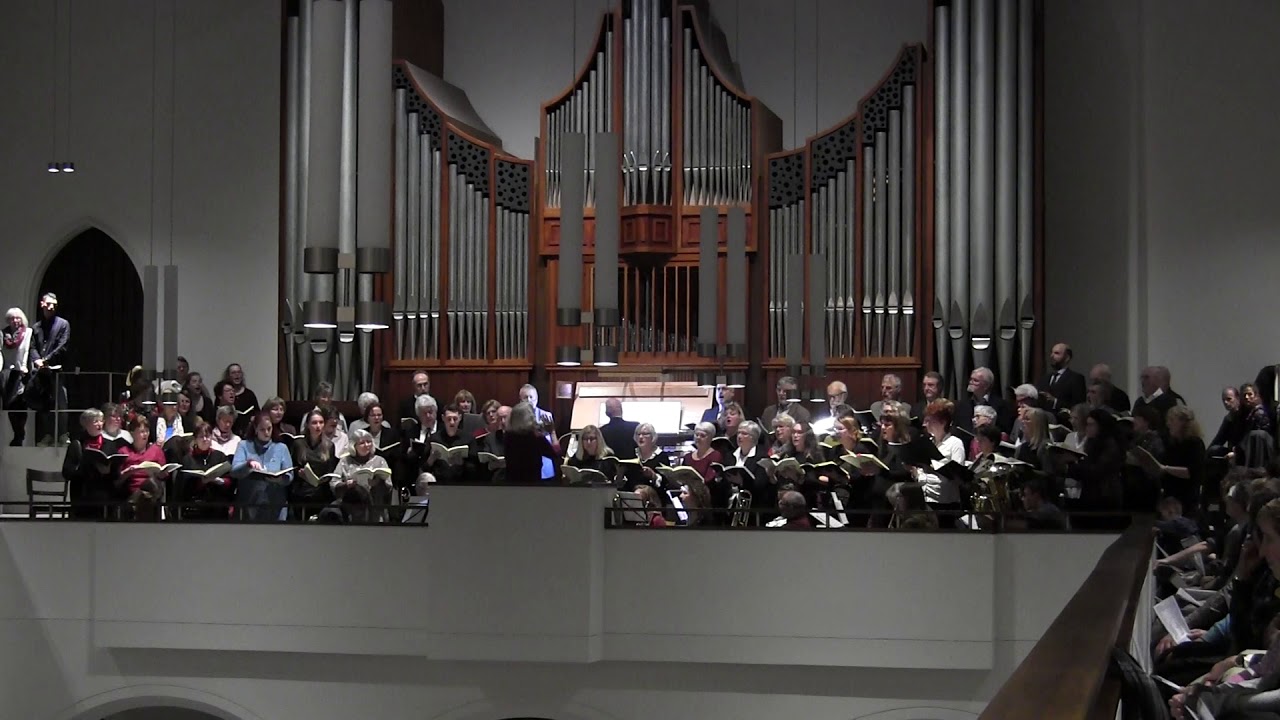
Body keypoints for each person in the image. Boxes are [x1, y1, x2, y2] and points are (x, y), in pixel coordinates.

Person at [62, 408, 123, 519]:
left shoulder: (109, 444)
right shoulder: (77, 445)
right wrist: (85, 469)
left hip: (105, 493)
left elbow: (117, 474)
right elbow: (67, 472)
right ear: (85, 424)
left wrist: (108, 471)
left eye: (101, 421)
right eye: (95, 421)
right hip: (83, 493)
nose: (99, 424)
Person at [231, 413, 293, 522]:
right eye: (262, 429)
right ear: (255, 429)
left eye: (269, 429)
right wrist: (248, 464)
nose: (266, 433)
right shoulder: (244, 445)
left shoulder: (281, 448)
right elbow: (234, 471)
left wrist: (280, 479)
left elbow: (290, 475)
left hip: (275, 503)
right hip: (249, 503)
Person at [913, 399, 968, 515]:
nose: (924, 424)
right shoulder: (929, 442)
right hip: (926, 502)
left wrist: (922, 476)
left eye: (929, 421)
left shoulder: (955, 443)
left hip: (946, 506)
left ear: (942, 422)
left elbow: (955, 479)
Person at [28, 293, 70, 445]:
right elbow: (32, 347)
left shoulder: (63, 324)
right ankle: (48, 435)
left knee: (61, 402)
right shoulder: (36, 327)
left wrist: (45, 360)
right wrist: (37, 360)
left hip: (56, 370)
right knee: (44, 405)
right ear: (42, 304)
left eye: (54, 304)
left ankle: (63, 434)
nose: (51, 307)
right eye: (48, 304)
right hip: (41, 372)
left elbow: (62, 346)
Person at [333, 428, 394, 522]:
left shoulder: (380, 461)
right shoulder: (345, 461)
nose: (366, 445)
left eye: (369, 442)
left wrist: (378, 482)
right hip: (351, 508)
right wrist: (346, 485)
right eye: (362, 443)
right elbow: (334, 482)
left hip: (375, 509)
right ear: (354, 446)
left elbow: (389, 486)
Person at [177, 420, 233, 520]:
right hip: (195, 505)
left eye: (207, 436)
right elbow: (182, 487)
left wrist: (220, 481)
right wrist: (200, 483)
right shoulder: (188, 459)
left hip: (217, 505)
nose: (205, 439)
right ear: (195, 439)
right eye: (201, 436)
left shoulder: (219, 456)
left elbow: (230, 482)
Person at [288, 409, 337, 519]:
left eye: (321, 422)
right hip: (302, 491)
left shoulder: (329, 445)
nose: (318, 426)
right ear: (307, 425)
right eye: (314, 423)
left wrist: (322, 480)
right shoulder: (298, 443)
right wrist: (299, 473)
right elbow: (293, 466)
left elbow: (330, 471)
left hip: (321, 491)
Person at [503, 401, 561, 483]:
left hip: (512, 482)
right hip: (532, 482)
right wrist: (552, 432)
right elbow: (555, 453)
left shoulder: (507, 436)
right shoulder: (535, 437)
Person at [2, 307, 31, 446]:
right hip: (8, 374)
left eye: (17, 318)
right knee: (10, 405)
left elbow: (28, 352)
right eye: (12, 318)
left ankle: (20, 434)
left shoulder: (28, 332)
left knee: (21, 403)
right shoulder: (3, 334)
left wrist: (26, 367)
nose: (15, 321)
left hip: (23, 372)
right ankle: (17, 433)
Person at [956, 366, 1013, 434]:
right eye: (971, 379)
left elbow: (1004, 431)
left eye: (975, 380)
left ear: (986, 385)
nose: (971, 382)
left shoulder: (1001, 405)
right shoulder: (961, 405)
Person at [1037, 343, 1087, 411]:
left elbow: (1078, 406)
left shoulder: (1076, 378)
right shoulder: (1044, 378)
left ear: (1067, 358)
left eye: (1056, 353)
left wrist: (1055, 401)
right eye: (1051, 353)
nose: (1051, 356)